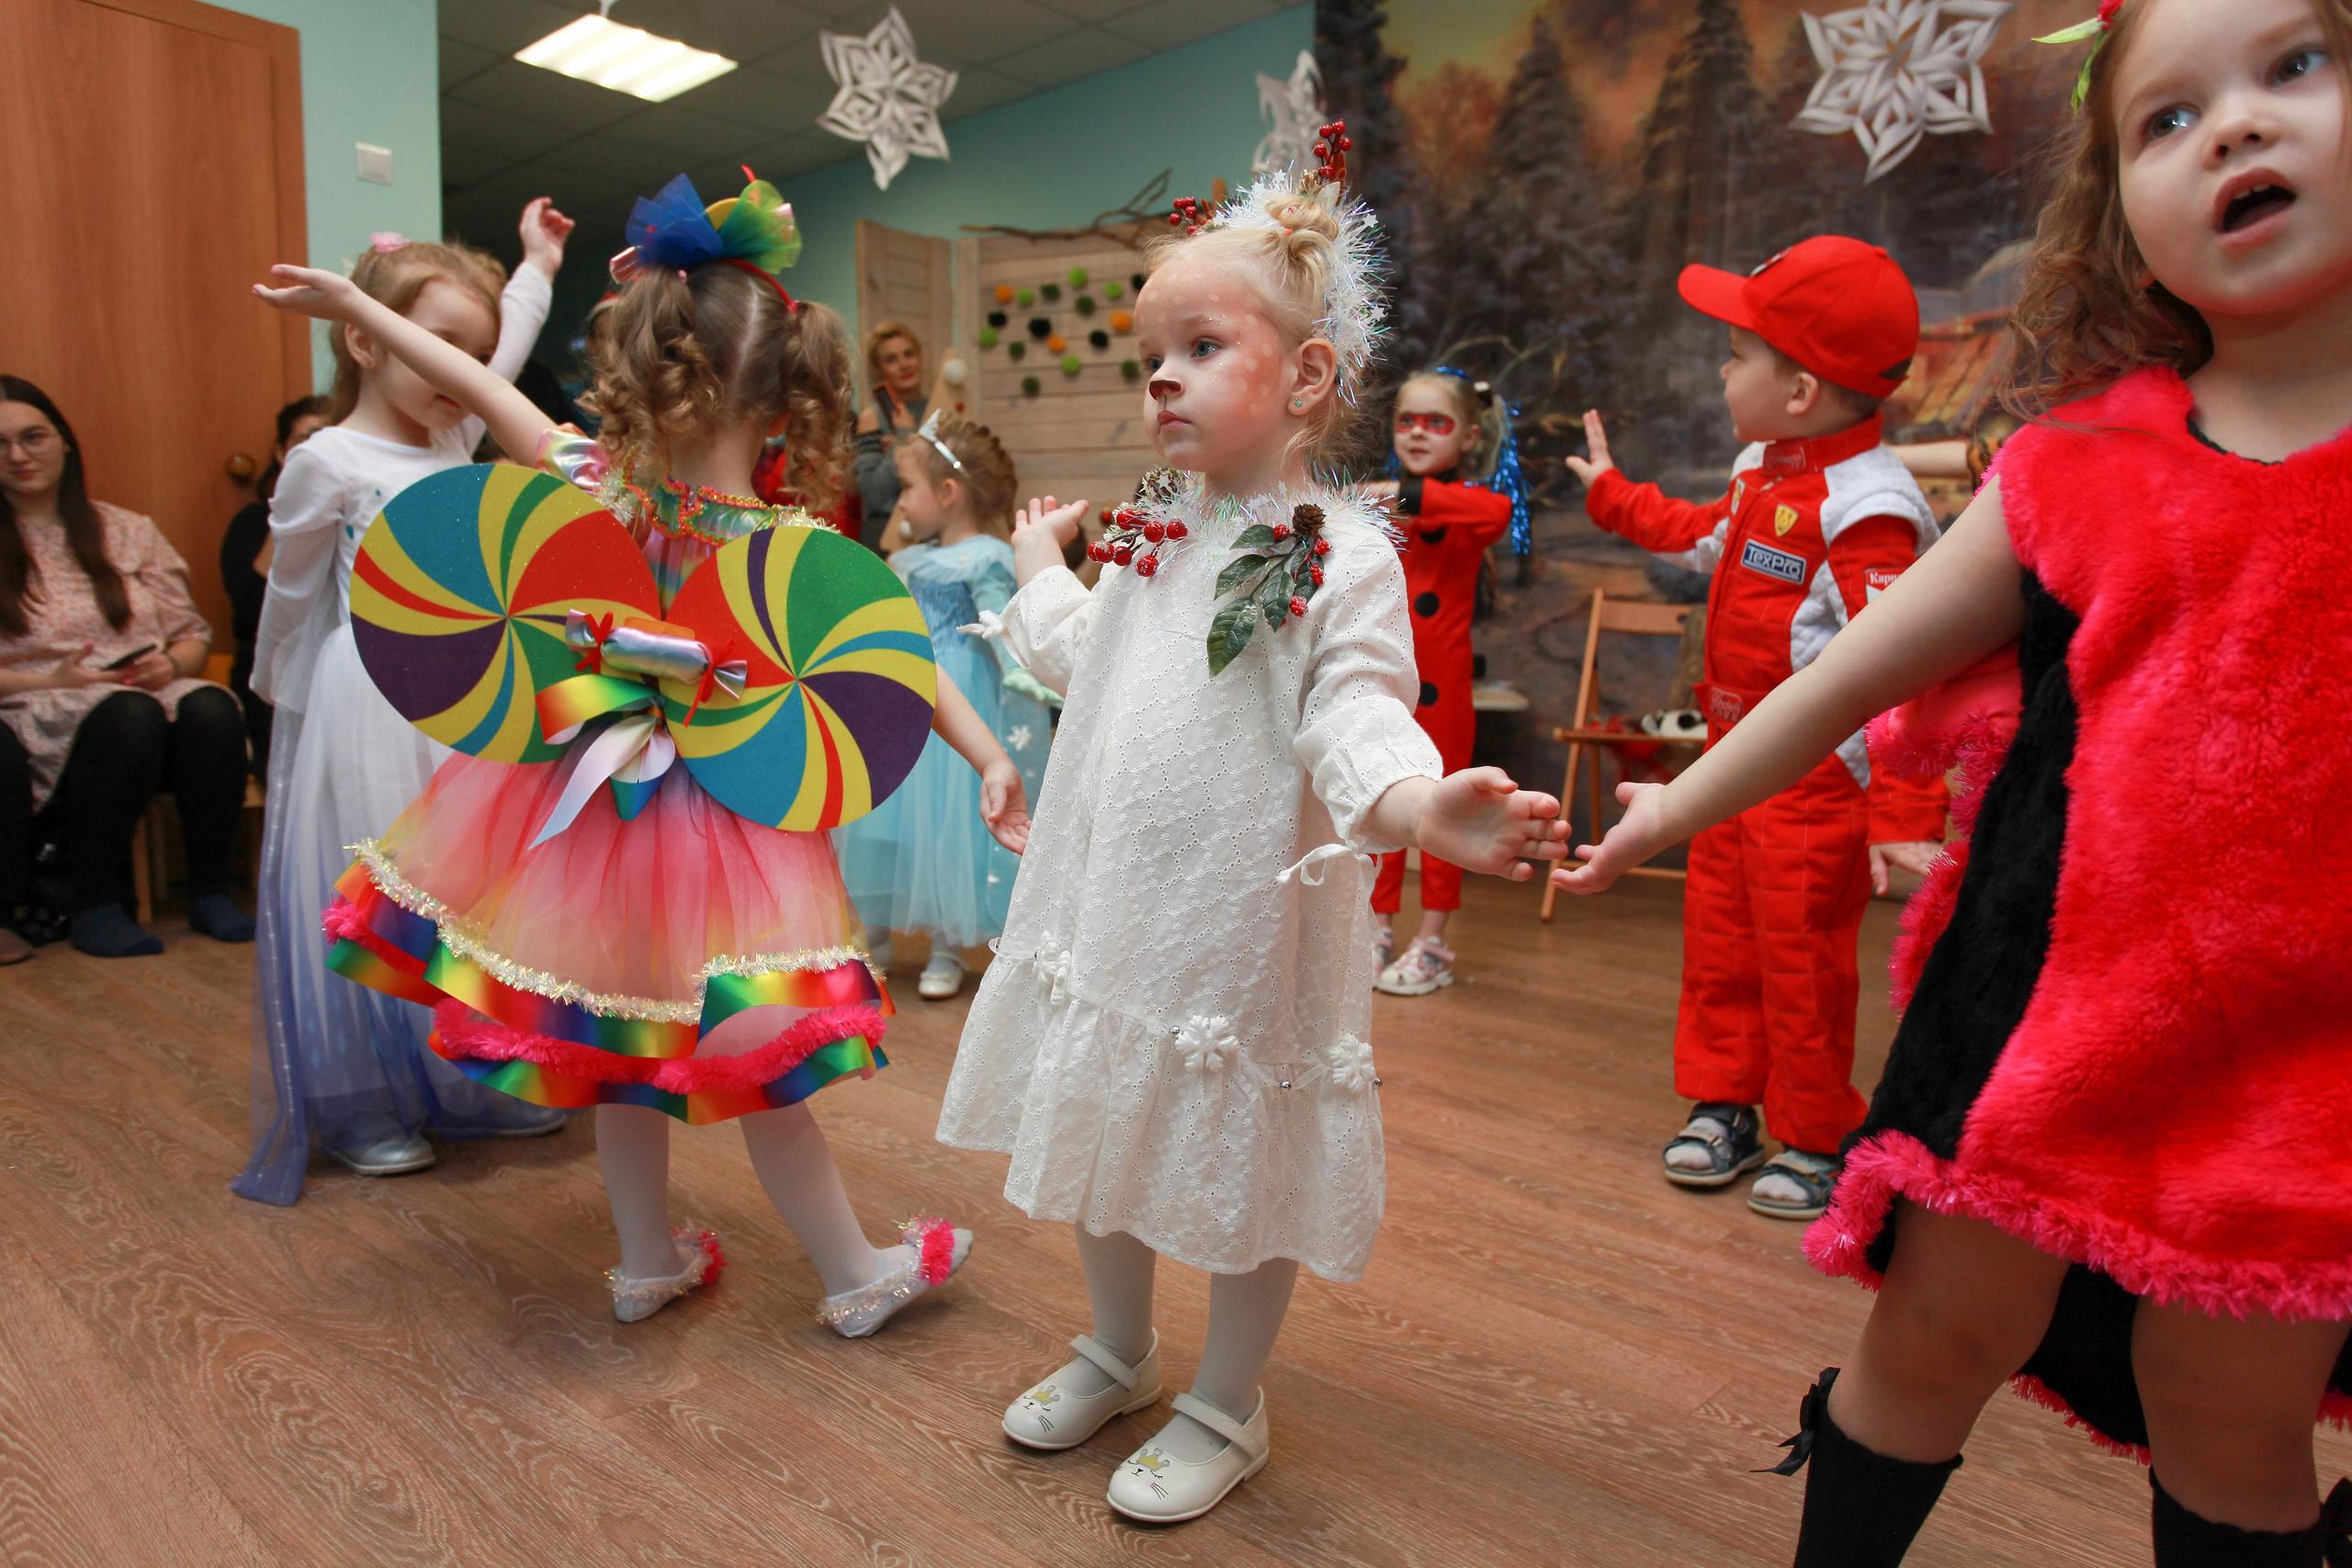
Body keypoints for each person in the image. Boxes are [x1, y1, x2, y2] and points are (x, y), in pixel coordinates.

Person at [1559, 0, 2352, 1557]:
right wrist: (1671, 801)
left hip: (2303, 1083)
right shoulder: (2077, 468)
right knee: (1932, 1334)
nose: (2237, 126)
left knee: (2226, 1411)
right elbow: (1849, 671)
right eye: (2167, 118)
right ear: (2119, 215)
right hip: (2041, 1033)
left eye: (2295, 67)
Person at [254, 170, 1023, 1333]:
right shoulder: (782, 545)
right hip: (728, 827)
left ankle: (645, 1260)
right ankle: (855, 1273)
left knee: (607, 1042)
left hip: (581, 814)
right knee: (759, 1063)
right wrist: (987, 758)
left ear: (648, 368)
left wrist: (353, 310)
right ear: (783, 402)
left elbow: (476, 380)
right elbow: (891, 671)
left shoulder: (590, 484)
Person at [936, 141, 1570, 1524]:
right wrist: (1041, 572)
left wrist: (1418, 804)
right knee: (1106, 1126)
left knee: (1234, 1169)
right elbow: (1087, 651)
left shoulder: (1340, 551)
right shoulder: (1158, 521)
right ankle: (1118, 1342)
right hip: (1111, 895)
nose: (1158, 373)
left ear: (1304, 376)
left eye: (1200, 343)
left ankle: (1231, 1394)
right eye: (1148, 350)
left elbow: (1355, 712)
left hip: (1232, 920)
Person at [1566, 234, 1948, 1222]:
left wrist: (1899, 812)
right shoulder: (1761, 470)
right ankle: (1724, 1104)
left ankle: (1816, 1135)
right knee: (1722, 942)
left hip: (1814, 782)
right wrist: (1610, 495)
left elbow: (1902, 667)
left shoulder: (1869, 509)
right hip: (1728, 765)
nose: (1721, 367)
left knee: (1799, 957)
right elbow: (1703, 539)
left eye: (1737, 354)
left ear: (1801, 388)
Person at [235, 204, 571, 1202]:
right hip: (365, 698)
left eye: (464, 354)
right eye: (431, 346)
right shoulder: (326, 461)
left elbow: (504, 339)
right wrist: (292, 718)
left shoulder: (457, 431)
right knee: (368, 890)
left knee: (466, 888)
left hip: (462, 695)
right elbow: (290, 595)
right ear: (364, 341)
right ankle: (362, 1098)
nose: (455, 367)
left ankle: (467, 1071)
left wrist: (539, 264)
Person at [0, 378, 252, 961]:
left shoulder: (127, 529)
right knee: (128, 715)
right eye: (1, 443)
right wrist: (54, 682)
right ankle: (97, 904)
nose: (17, 456)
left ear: (64, 442)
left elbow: (191, 635)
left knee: (211, 706)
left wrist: (169, 663)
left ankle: (211, 892)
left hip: (141, 689)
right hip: (32, 701)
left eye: (33, 437)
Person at [834, 412, 1051, 1000]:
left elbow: (1000, 624)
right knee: (887, 821)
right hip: (906, 698)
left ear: (948, 493)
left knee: (952, 822)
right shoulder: (903, 563)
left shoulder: (986, 558)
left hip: (962, 696)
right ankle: (874, 935)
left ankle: (946, 944)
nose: (898, 502)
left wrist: (1022, 672)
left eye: (908, 488)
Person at [1361, 370, 1516, 996]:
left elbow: (1495, 511)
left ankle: (1434, 940)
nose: (1418, 432)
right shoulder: (1379, 503)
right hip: (1384, 679)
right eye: (1407, 421)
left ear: (1469, 435)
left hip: (1442, 686)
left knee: (1444, 804)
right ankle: (1377, 926)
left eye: (1436, 422)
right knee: (1382, 801)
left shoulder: (1468, 501)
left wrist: (1404, 494)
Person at [219, 394, 328, 773]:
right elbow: (248, 615)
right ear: (282, 454)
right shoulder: (254, 522)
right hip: (272, 676)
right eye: (308, 439)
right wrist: (289, 515)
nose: (322, 450)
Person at [850, 321, 926, 553]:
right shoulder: (871, 419)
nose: (904, 364)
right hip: (885, 534)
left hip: (933, 531)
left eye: (908, 354)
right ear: (879, 369)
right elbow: (872, 495)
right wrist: (904, 439)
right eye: (891, 360)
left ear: (920, 357)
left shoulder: (939, 409)